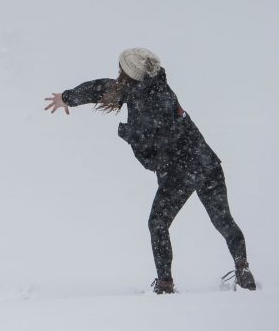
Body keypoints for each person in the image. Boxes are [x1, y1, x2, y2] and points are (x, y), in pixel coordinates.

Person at [44, 48, 255, 294]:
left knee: (158, 223)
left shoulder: (154, 98)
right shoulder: (143, 88)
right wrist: (68, 97)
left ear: (131, 74)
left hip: (182, 171)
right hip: (205, 164)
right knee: (221, 220)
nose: (118, 72)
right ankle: (242, 268)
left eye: (121, 69)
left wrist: (127, 133)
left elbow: (155, 138)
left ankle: (166, 284)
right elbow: (101, 87)